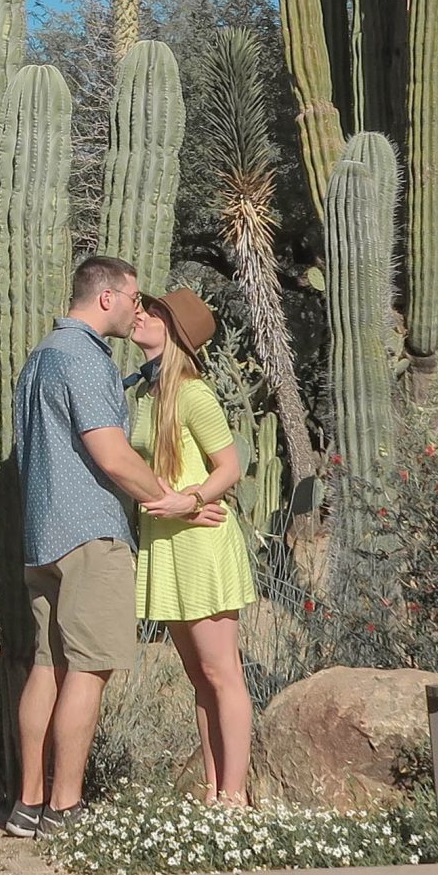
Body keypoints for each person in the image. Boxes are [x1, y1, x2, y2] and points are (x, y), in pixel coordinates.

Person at [6, 255, 224, 839]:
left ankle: (27, 805)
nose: (138, 308)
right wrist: (174, 499)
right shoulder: (83, 358)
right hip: (90, 533)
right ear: (107, 297)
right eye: (133, 297)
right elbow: (111, 454)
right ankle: (65, 808)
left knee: (47, 665)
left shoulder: (41, 357)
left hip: (41, 534)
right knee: (91, 667)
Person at [128, 288, 258, 805]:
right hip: (166, 544)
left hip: (201, 545)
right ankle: (211, 789)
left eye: (154, 312)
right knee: (198, 677)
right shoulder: (143, 393)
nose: (141, 314)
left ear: (174, 332)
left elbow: (231, 464)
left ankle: (235, 796)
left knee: (222, 673)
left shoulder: (193, 394)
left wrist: (194, 499)